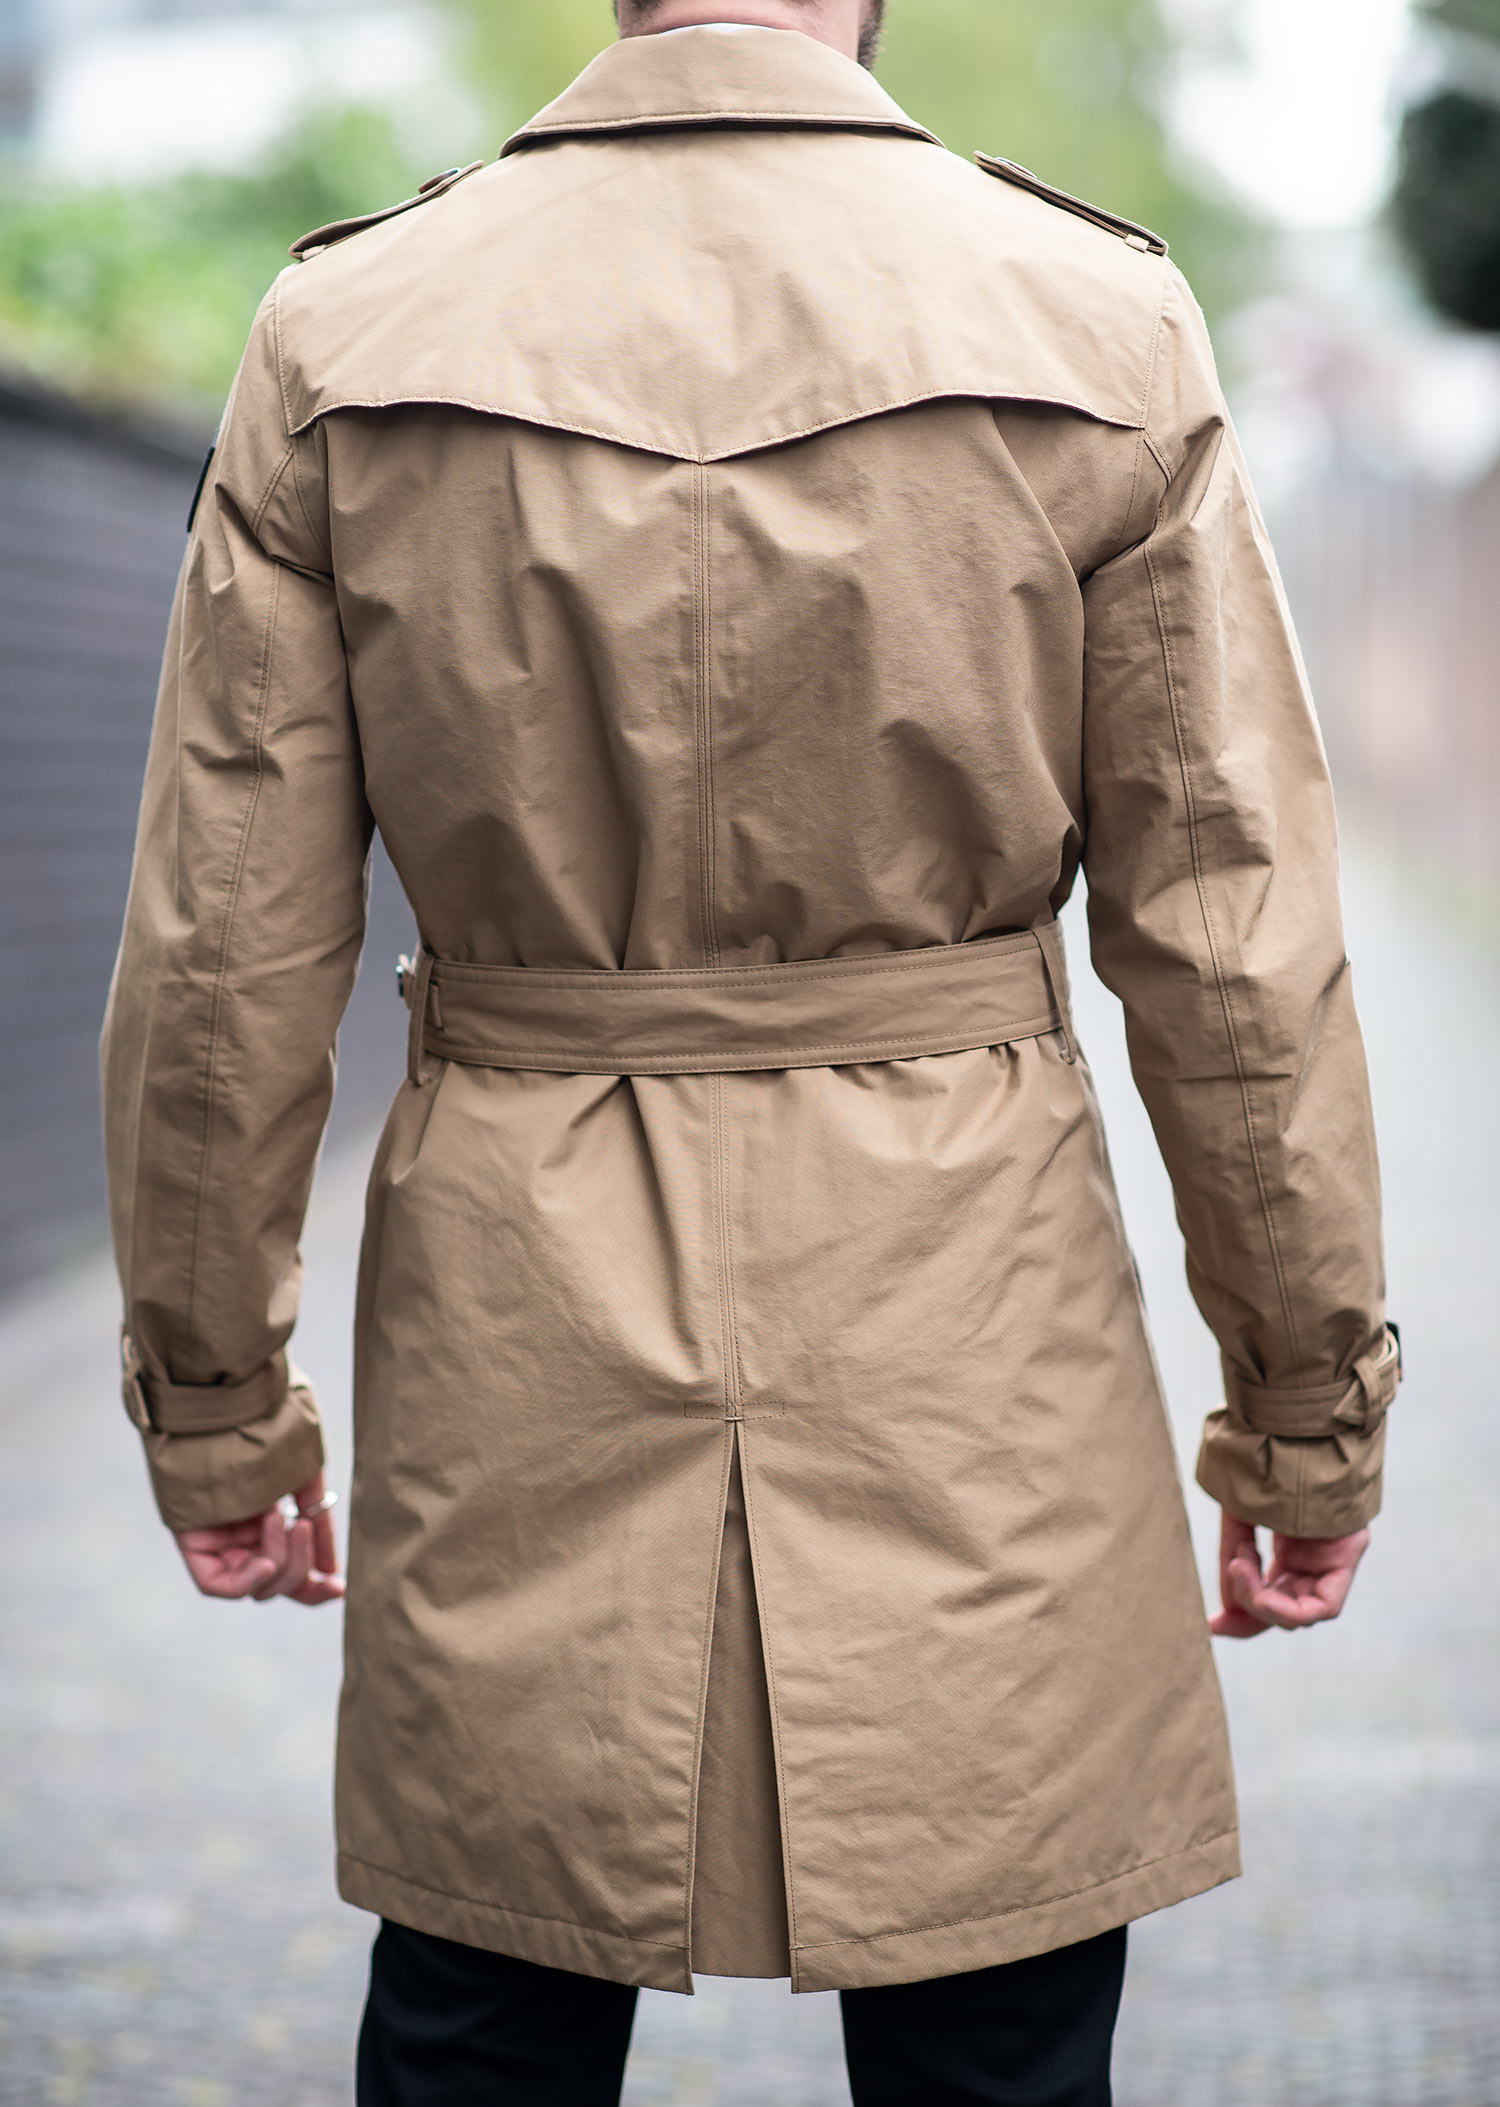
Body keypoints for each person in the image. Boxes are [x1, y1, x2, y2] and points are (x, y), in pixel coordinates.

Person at [101, 1, 1401, 2100]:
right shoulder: (1093, 319)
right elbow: (1234, 953)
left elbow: (221, 958)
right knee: (994, 2024)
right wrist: (1308, 1413)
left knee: (484, 2017)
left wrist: (216, 1409)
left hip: (519, 1296)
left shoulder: (346, 334)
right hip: (971, 1311)